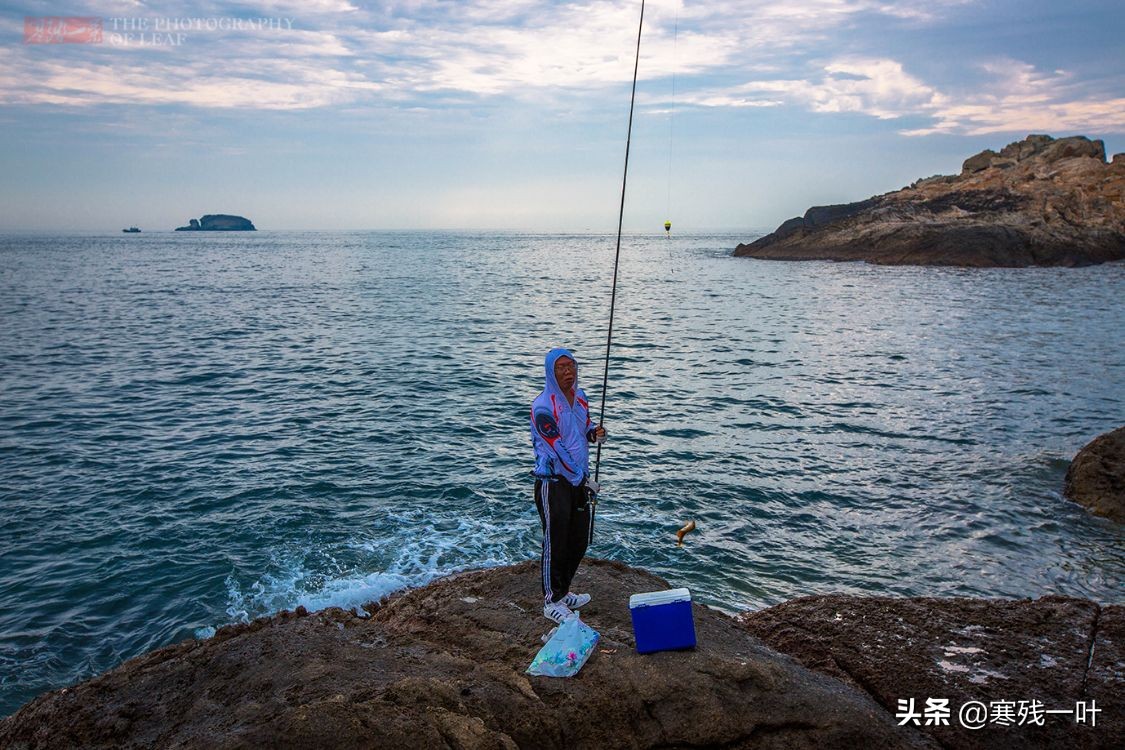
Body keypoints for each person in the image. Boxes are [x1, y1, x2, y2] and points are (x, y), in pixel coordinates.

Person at [530, 348, 607, 624]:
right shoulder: (542, 407)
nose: (568, 372)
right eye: (561, 367)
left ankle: (563, 593)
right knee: (556, 540)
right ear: (551, 371)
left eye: (571, 366)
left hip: (579, 481)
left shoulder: (581, 397)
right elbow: (557, 449)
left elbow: (582, 428)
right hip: (554, 483)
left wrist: (594, 433)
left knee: (579, 539)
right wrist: (582, 479)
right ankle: (551, 600)